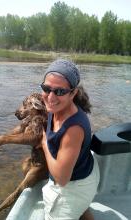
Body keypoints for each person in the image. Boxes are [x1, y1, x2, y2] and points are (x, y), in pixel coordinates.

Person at [40, 59, 100, 220]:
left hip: (73, 186)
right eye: (46, 89)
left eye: (59, 91)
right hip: (85, 173)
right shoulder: (56, 107)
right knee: (82, 211)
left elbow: (62, 179)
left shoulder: (73, 128)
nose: (51, 97)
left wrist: (45, 145)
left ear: (73, 93)